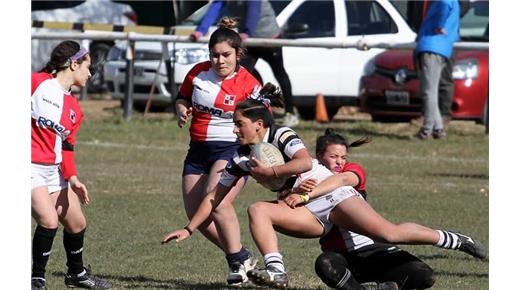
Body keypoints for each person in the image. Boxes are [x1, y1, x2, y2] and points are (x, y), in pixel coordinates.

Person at [161, 83, 486, 290]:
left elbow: (303, 164)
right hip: (304, 210)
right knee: (257, 208)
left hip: (330, 195)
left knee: (389, 233)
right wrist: (189, 228)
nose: (234, 130)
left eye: (239, 124)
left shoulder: (282, 135)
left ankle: (455, 239)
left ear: (258, 124)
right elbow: (215, 198)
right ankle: (277, 272)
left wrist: (276, 174)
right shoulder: (241, 157)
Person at [174, 17, 261, 285]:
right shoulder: (197, 73)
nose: (219, 61)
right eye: (214, 55)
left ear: (238, 54)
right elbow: (182, 96)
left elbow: (262, 123)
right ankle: (240, 256)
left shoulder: (249, 84)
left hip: (232, 150)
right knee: (196, 216)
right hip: (198, 151)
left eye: (226, 55)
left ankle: (236, 264)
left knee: (217, 201)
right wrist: (181, 108)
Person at [294, 128, 435, 289]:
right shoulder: (309, 181)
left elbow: (343, 179)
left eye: (343, 157)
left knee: (424, 276)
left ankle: (382, 286)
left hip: (375, 250)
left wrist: (308, 193)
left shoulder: (351, 170)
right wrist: (296, 191)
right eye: (333, 157)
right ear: (318, 156)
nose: (340, 162)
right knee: (325, 263)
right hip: (344, 256)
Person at [31, 40, 111, 290]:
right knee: (49, 220)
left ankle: (76, 274)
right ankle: (36, 278)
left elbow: (66, 147)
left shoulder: (75, 108)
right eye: (89, 67)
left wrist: (73, 178)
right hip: (28, 166)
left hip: (53, 170)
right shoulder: (35, 83)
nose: (90, 73)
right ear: (74, 63)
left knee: (77, 223)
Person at [190, 0, 299, 127]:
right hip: (248, 41)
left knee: (279, 73)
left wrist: (248, 33)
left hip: (269, 37)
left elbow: (254, 10)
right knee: (239, 73)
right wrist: (201, 30)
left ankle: (290, 112)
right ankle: (246, 110)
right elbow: (215, 7)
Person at [408, 0, 470, 129]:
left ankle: (437, 119)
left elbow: (447, 4)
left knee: (437, 84)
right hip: (426, 37)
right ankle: (434, 123)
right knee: (427, 84)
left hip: (437, 40)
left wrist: (440, 23)